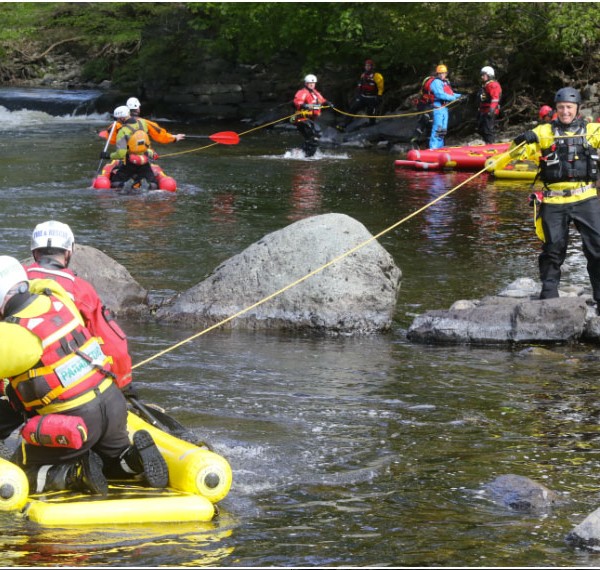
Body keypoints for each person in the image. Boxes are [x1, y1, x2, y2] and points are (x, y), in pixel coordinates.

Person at [0, 256, 169, 495]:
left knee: (21, 467)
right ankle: (131, 461)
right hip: (113, 405)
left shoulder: (13, 334)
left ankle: (74, 474)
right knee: (111, 457)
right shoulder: (58, 301)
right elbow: (44, 284)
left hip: (75, 420)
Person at [512, 87, 600, 306]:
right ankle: (549, 296)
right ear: (556, 109)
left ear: (577, 109)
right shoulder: (543, 132)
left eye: (569, 107)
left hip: (585, 197)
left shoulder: (592, 131)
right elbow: (513, 154)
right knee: (553, 249)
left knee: (597, 247)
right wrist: (521, 139)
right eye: (561, 108)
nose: (565, 112)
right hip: (553, 200)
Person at [25, 220, 133, 391]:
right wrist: (124, 384)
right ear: (69, 252)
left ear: (34, 252)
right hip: (59, 385)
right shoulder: (80, 290)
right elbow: (113, 344)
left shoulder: (14, 279)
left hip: (13, 377)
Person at [100, 106, 160, 189]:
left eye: (117, 119)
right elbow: (146, 143)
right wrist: (151, 153)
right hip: (145, 161)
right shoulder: (142, 123)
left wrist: (108, 155)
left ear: (121, 118)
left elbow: (121, 154)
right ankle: (145, 183)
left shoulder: (123, 131)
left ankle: (127, 184)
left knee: (114, 182)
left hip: (130, 163)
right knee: (154, 184)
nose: (117, 121)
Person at [101, 97, 185, 146]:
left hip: (125, 156)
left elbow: (111, 140)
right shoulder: (147, 123)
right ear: (138, 109)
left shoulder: (116, 125)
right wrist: (174, 138)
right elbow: (161, 136)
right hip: (142, 156)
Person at [292, 74, 334, 157]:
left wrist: (328, 103)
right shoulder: (302, 92)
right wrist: (308, 106)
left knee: (313, 137)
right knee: (315, 134)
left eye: (313, 83)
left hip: (310, 119)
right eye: (310, 83)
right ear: (306, 84)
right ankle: (304, 153)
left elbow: (322, 100)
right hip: (301, 119)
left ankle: (301, 153)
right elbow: (298, 103)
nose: (312, 85)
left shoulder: (315, 93)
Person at [340, 59, 384, 129]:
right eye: (366, 66)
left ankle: (372, 123)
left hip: (372, 98)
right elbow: (360, 86)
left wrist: (379, 96)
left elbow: (380, 88)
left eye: (369, 66)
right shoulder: (363, 75)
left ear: (372, 67)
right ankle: (344, 124)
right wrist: (358, 95)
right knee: (353, 109)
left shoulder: (377, 76)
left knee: (371, 112)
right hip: (363, 97)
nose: (367, 67)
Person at [429, 64, 462, 149]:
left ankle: (440, 147)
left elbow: (450, 93)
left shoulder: (444, 82)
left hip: (444, 108)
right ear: (437, 73)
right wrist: (454, 98)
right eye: (440, 73)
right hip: (438, 108)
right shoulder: (436, 82)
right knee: (438, 128)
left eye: (444, 73)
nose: (442, 75)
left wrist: (460, 95)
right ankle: (433, 148)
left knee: (443, 129)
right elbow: (440, 94)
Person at [477, 66, 502, 143]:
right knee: (481, 129)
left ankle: (490, 146)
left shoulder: (493, 85)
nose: (482, 77)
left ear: (489, 75)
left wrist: (491, 110)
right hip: (484, 110)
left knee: (488, 130)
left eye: (483, 75)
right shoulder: (486, 85)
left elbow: (495, 98)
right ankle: (487, 143)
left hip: (489, 111)